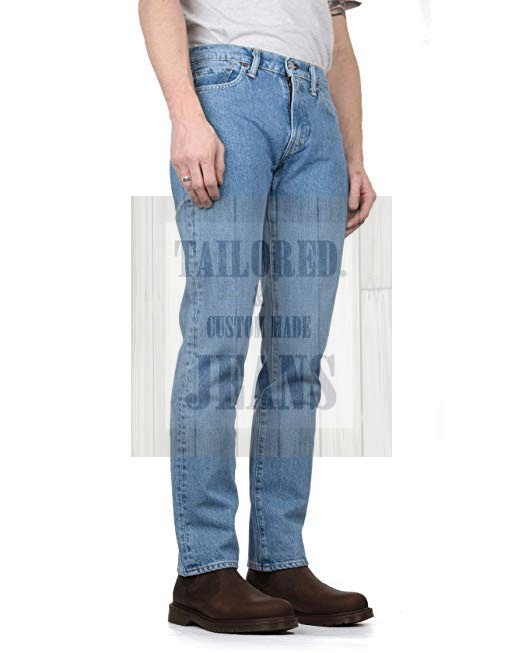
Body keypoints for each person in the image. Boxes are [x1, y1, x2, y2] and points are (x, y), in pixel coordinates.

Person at [139, 0, 377, 634]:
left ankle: (278, 560)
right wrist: (185, 115)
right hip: (229, 94)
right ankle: (204, 569)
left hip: (316, 114)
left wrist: (353, 155)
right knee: (217, 342)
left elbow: (337, 37)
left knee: (300, 358)